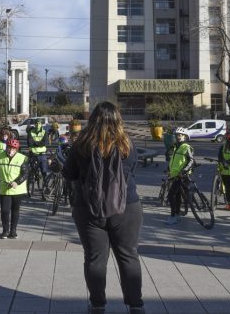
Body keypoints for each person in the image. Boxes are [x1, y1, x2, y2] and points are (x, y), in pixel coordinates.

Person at [62, 101, 144, 314]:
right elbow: (132, 171)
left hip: (88, 208)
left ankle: (98, 305)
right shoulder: (128, 144)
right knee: (128, 255)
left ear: (93, 119)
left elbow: (68, 174)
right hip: (126, 208)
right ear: (118, 119)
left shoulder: (82, 144)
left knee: (95, 258)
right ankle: (136, 306)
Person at [0, 138, 28, 239]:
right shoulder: (0, 157)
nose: (10, 150)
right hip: (5, 188)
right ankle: (5, 230)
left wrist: (17, 182)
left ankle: (13, 231)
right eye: (9, 148)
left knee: (15, 210)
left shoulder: (22, 158)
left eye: (13, 148)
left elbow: (25, 174)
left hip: (17, 189)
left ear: (16, 149)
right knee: (5, 210)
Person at [165, 127, 194, 225]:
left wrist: (184, 171)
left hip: (182, 176)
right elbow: (173, 160)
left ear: (185, 137)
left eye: (180, 135)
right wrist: (169, 169)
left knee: (171, 195)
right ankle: (177, 215)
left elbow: (191, 161)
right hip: (175, 175)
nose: (178, 137)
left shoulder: (186, 147)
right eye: (176, 135)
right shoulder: (175, 147)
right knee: (177, 196)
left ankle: (173, 216)